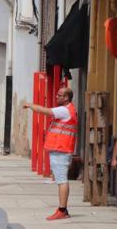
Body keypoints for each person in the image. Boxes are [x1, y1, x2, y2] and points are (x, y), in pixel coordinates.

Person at [23, 87, 77, 220]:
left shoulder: (65, 110)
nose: (57, 96)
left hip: (61, 150)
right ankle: (63, 209)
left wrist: (30, 105)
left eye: (60, 95)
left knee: (62, 180)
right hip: (60, 149)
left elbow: (46, 111)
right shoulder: (68, 109)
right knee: (61, 179)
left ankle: (62, 210)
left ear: (66, 98)